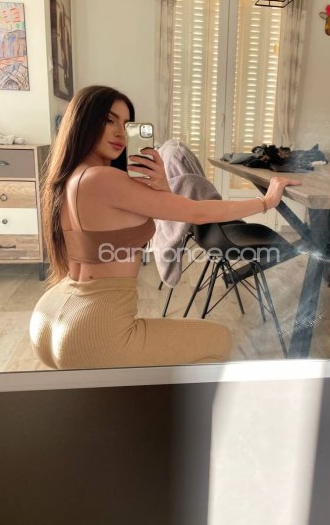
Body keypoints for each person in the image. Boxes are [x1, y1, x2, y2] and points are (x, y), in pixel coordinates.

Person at [29, 85, 301, 370]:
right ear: (83, 121)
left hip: (54, 311)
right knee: (220, 340)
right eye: (109, 120)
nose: (120, 133)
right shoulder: (103, 178)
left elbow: (167, 209)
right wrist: (266, 201)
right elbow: (196, 212)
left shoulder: (70, 177)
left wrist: (160, 186)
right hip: (94, 327)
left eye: (126, 124)